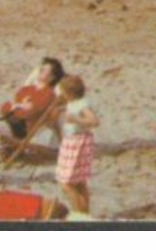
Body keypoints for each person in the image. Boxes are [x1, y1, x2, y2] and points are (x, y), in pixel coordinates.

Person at [56, 76, 98, 217]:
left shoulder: (81, 105)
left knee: (67, 183)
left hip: (77, 142)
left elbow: (94, 121)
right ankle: (85, 214)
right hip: (74, 141)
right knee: (79, 181)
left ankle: (79, 213)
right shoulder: (74, 103)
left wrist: (75, 119)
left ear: (70, 93)